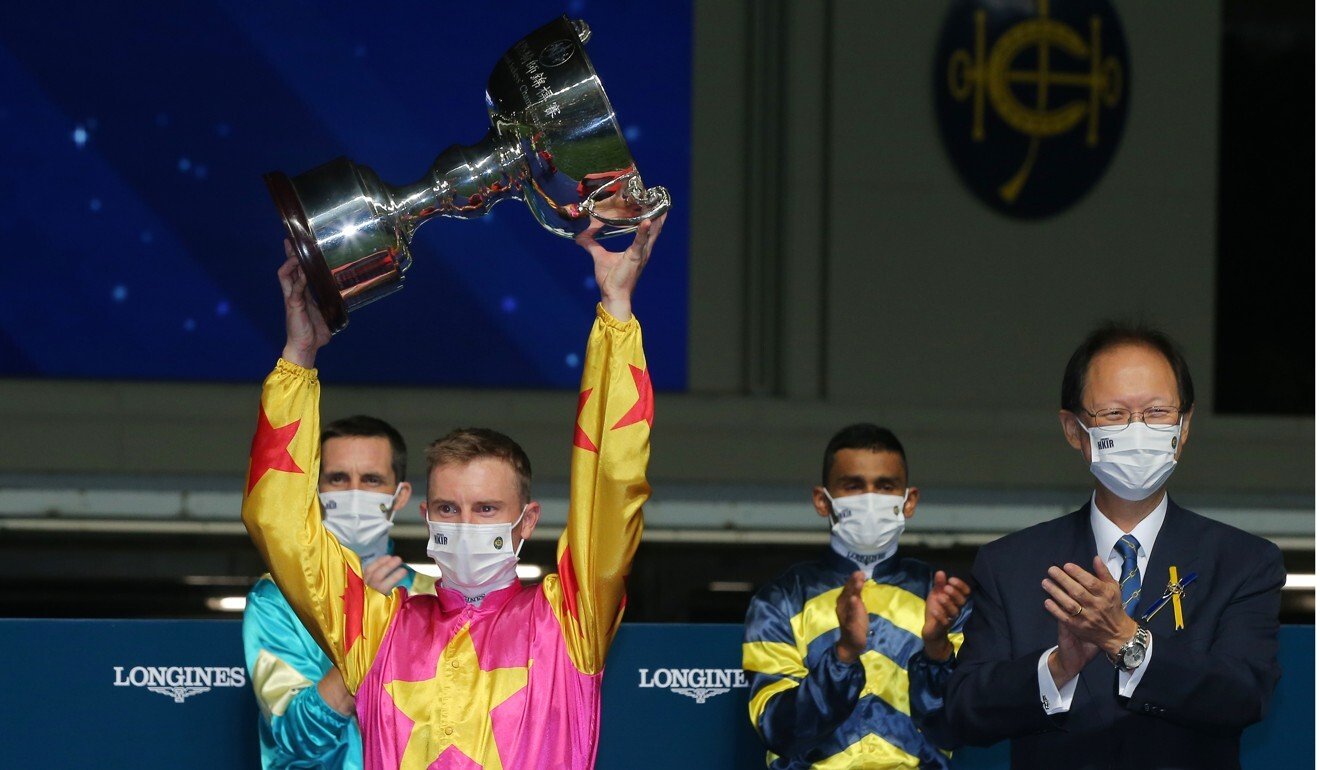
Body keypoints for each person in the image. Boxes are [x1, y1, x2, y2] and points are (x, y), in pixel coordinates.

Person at [242, 214, 664, 770]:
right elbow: (278, 523)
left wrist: (616, 314)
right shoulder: (377, 627)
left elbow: (612, 483)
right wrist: (298, 360)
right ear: (425, 514)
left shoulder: (569, 619)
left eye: (487, 509)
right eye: (449, 509)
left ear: (527, 521)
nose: (465, 524)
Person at [945, 323, 1285, 770]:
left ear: (1184, 428)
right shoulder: (1010, 565)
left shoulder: (1243, 562)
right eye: (1114, 415)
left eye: (1158, 412)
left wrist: (1127, 640)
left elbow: (1244, 696)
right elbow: (965, 712)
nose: (1138, 430)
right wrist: (1057, 669)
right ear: (1073, 429)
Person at [742, 423, 972, 769]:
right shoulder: (780, 600)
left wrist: (938, 651)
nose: (870, 499)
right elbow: (778, 729)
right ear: (823, 500)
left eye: (885, 486)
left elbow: (955, 729)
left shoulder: (943, 601)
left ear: (908, 500)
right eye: (853, 486)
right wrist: (844, 655)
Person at [242, 414, 437, 769]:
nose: (354, 493)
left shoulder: (434, 598)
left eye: (372, 480)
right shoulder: (278, 597)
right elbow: (293, 736)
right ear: (316, 492)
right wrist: (367, 624)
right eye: (338, 478)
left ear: (400, 496)